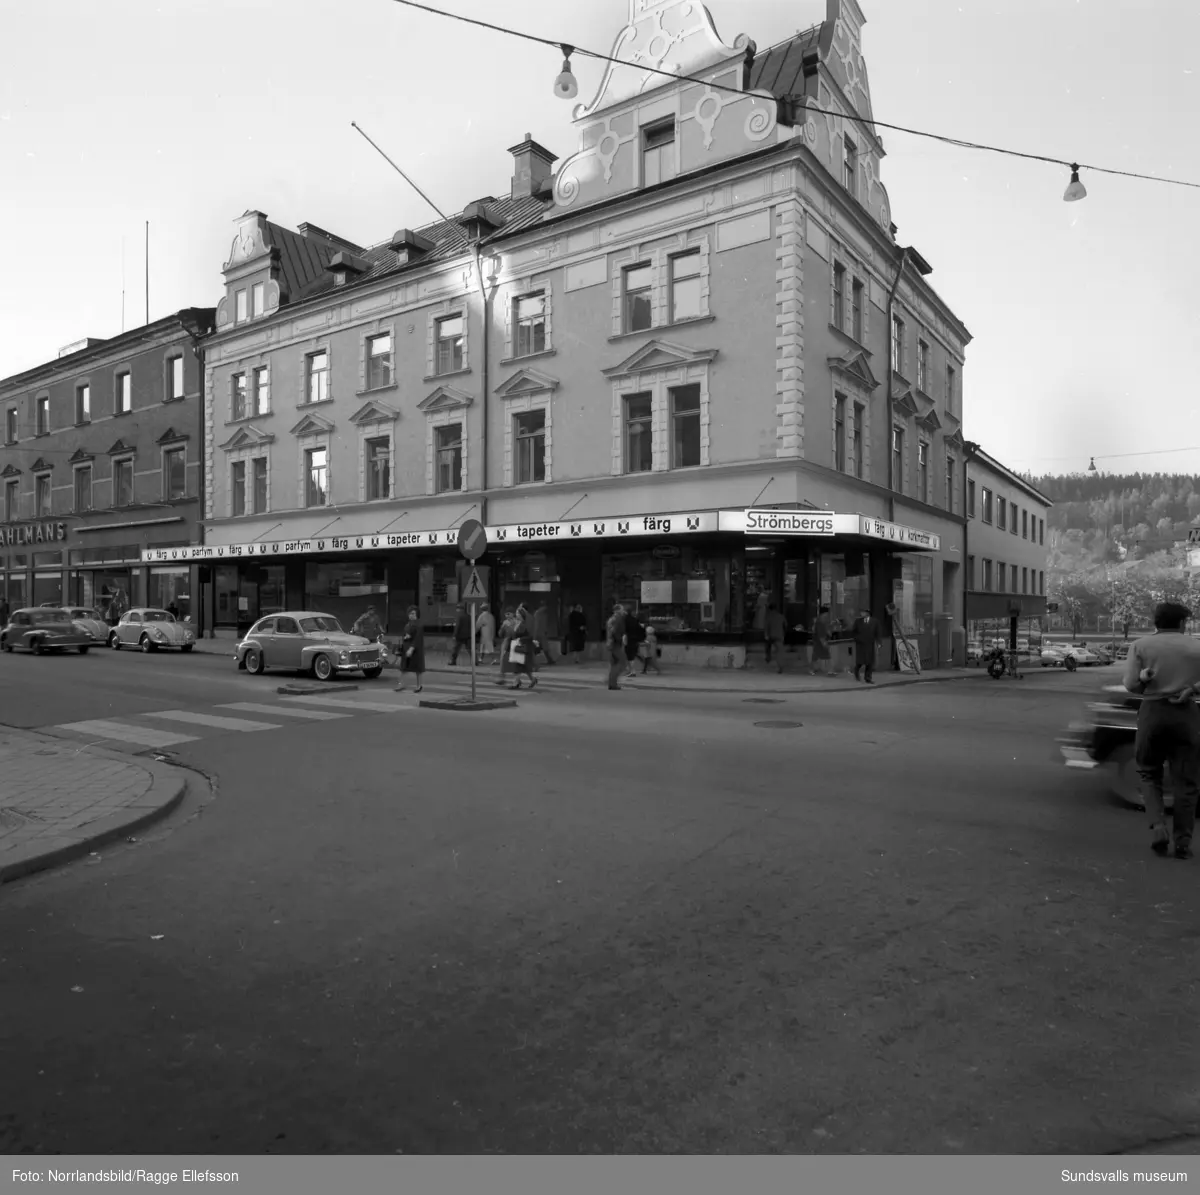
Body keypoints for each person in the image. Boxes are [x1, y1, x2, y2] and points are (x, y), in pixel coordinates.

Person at [1122, 601, 1200, 859]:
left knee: (1148, 773)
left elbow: (1131, 685)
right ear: (1181, 623)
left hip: (1152, 713)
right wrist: (1193, 688)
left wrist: (1145, 678)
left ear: (1156, 622)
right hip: (1185, 714)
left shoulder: (1140, 646)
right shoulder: (1196, 645)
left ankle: (1157, 827)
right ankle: (1183, 843)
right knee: (1186, 782)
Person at [394, 606, 425, 694]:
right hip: (406, 648)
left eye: (413, 613)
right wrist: (406, 637)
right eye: (410, 613)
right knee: (403, 668)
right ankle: (401, 684)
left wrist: (411, 648)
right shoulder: (408, 624)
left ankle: (419, 685)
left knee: (418, 669)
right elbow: (405, 635)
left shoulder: (419, 625)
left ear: (417, 614)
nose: (411, 615)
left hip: (415, 649)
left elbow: (418, 638)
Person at [508, 604, 538, 690]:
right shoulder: (517, 623)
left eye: (518, 613)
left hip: (523, 647)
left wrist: (521, 639)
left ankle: (516, 683)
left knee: (519, 666)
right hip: (518, 646)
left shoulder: (524, 624)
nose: (516, 614)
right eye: (516, 613)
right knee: (523, 667)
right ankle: (532, 679)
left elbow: (529, 636)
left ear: (522, 615)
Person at [851, 607, 882, 684]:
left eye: (863, 612)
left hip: (870, 643)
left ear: (867, 613)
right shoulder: (858, 621)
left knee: (869, 661)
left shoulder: (875, 622)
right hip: (860, 644)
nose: (861, 614)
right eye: (861, 612)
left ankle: (868, 678)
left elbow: (878, 632)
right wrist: (857, 638)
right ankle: (856, 670)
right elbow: (853, 632)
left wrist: (879, 642)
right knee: (860, 661)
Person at [606, 603, 627, 691]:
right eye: (622, 609)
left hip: (610, 643)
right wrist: (621, 640)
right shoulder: (617, 619)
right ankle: (613, 683)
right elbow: (616, 632)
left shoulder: (611, 619)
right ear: (618, 610)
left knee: (614, 664)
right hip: (615, 644)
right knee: (622, 663)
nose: (623, 611)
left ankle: (612, 683)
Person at [494, 607, 517, 686]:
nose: (507, 615)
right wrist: (503, 628)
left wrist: (508, 627)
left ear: (513, 613)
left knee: (513, 660)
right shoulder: (505, 622)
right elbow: (500, 634)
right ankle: (502, 677)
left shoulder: (516, 622)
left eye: (509, 613)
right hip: (507, 642)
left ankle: (516, 679)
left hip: (513, 643)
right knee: (503, 660)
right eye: (506, 614)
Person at [531, 600, 556, 666]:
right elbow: (540, 624)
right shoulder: (543, 613)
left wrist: (535, 635)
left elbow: (537, 624)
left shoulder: (538, 613)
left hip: (539, 633)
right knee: (543, 648)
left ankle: (532, 661)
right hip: (542, 633)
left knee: (536, 648)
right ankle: (549, 660)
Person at [764, 602, 787, 673]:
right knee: (779, 651)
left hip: (771, 636)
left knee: (767, 645)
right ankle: (780, 665)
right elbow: (785, 625)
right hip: (779, 636)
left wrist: (766, 635)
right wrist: (783, 634)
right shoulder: (781, 616)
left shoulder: (768, 616)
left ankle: (768, 657)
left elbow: (766, 626)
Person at [810, 605, 833, 676]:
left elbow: (825, 630)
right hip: (819, 641)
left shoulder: (822, 621)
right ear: (823, 613)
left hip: (820, 641)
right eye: (826, 613)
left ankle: (828, 670)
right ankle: (812, 669)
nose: (827, 615)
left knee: (820, 656)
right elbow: (820, 633)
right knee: (817, 656)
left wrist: (828, 632)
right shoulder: (820, 621)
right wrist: (824, 642)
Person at [623, 608, 644, 679]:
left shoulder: (625, 620)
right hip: (635, 639)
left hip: (628, 639)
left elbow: (624, 630)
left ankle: (632, 671)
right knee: (634, 653)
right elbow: (640, 629)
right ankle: (631, 670)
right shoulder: (635, 620)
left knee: (629, 655)